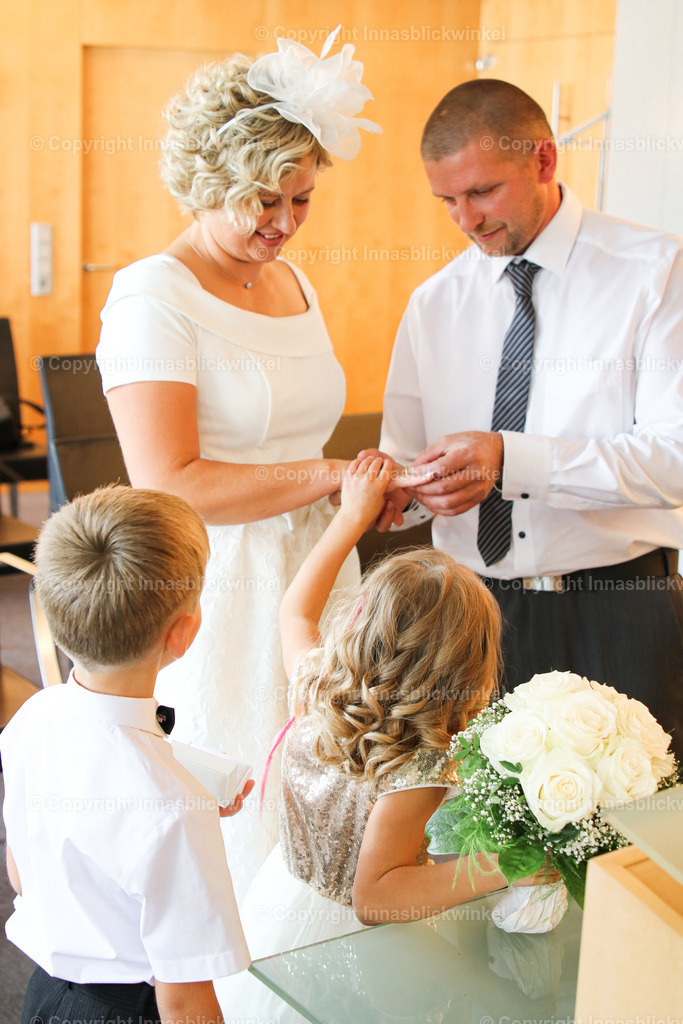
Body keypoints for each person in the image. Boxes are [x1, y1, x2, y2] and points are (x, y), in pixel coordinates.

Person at [95, 30, 386, 899]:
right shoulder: (154, 295)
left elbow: (301, 446)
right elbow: (171, 484)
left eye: (300, 199)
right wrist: (331, 479)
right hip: (217, 579)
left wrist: (367, 493)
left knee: (326, 785)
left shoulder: (295, 285)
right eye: (263, 199)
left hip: (322, 561)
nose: (285, 223)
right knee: (239, 795)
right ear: (206, 179)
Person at [374, 78, 683, 755]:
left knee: (629, 842)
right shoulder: (434, 303)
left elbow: (675, 459)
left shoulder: (655, 272)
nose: (465, 219)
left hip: (616, 609)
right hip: (468, 619)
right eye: (446, 200)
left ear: (542, 161)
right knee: (476, 849)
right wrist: (400, 492)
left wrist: (510, 460)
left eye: (482, 192)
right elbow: (406, 462)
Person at [217, 455, 556, 1023]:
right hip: (347, 944)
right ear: (470, 663)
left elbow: (295, 610)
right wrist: (507, 864)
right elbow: (375, 899)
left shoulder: (320, 684)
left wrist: (350, 518)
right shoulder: (419, 765)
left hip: (281, 901)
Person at [0, 485, 252, 1024]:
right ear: (182, 634)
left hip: (44, 999)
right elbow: (184, 997)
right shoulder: (174, 811)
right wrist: (172, 801)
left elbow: (22, 875)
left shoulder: (29, 718)